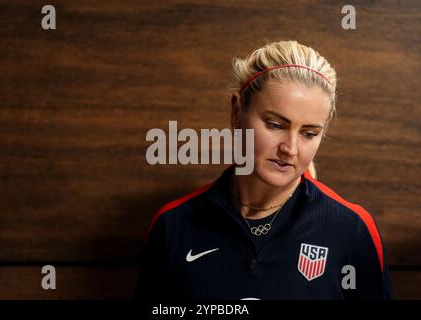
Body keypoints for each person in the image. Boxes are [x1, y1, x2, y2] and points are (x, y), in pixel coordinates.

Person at [135, 40, 393, 300]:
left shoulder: (352, 230)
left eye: (309, 133)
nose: (290, 149)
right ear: (237, 112)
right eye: (275, 125)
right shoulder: (173, 225)